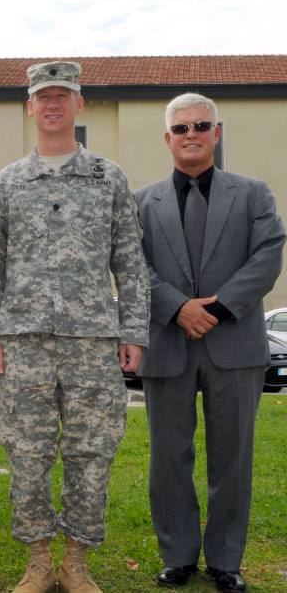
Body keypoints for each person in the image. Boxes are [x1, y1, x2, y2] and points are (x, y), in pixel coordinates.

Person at [0, 61, 149, 593]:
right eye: (42, 96)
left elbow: (130, 261)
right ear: (30, 107)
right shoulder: (7, 183)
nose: (52, 104)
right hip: (23, 341)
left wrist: (134, 331)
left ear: (79, 104)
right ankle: (36, 559)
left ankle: (76, 561)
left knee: (91, 452)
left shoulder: (108, 177)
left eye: (62, 95)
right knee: (26, 454)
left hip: (91, 339)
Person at [135, 93, 284, 593]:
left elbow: (267, 256)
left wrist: (215, 309)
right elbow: (134, 266)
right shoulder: (143, 202)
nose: (191, 134)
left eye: (201, 125)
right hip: (167, 344)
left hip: (235, 343)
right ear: (167, 139)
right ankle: (177, 556)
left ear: (217, 132)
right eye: (181, 128)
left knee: (233, 457)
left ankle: (225, 561)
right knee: (168, 459)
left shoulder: (253, 194)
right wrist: (179, 308)